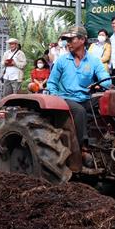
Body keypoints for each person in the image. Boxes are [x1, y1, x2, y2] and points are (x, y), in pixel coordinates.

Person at [46, 26, 111, 160]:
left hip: (84, 98)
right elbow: (51, 83)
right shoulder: (62, 61)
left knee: (107, 104)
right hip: (65, 99)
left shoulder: (93, 61)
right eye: (66, 40)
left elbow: (106, 80)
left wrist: (100, 85)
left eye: (71, 39)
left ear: (82, 40)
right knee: (79, 111)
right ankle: (83, 147)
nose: (67, 43)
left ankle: (108, 141)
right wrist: (55, 97)